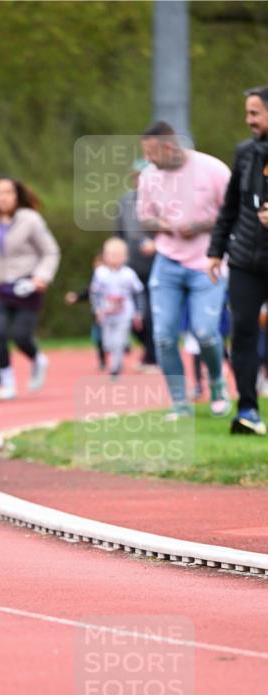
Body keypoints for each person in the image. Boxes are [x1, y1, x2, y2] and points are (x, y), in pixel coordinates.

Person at [137, 122, 232, 418]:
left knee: (205, 333)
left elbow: (234, 212)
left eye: (152, 153)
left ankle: (217, 383)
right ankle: (180, 402)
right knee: (163, 336)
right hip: (167, 262)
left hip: (209, 261)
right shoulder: (149, 177)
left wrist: (200, 226)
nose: (149, 160)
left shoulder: (213, 169)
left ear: (169, 147)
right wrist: (165, 226)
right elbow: (145, 218)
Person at [208, 84, 268, 435]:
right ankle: (248, 411)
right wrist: (216, 251)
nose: (248, 120)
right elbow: (230, 205)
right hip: (246, 259)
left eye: (255, 113)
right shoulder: (245, 152)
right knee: (242, 334)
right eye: (248, 113)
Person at [0, 176, 60, 400]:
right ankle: (7, 382)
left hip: (26, 288)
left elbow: (50, 251)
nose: (2, 197)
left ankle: (37, 359)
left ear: (17, 195)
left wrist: (41, 277)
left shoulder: (31, 220)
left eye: (8, 192)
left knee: (21, 336)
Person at [114, 159, 158, 368]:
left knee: (150, 314)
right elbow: (119, 234)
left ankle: (153, 356)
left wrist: (156, 243)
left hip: (156, 266)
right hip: (130, 266)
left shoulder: (163, 201)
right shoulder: (125, 201)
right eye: (137, 176)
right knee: (130, 314)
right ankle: (149, 350)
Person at [90, 238, 144, 379]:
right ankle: (123, 347)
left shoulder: (129, 274)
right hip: (107, 313)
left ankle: (115, 368)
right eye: (111, 255)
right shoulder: (100, 273)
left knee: (118, 341)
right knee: (108, 343)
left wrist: (139, 312)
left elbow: (138, 292)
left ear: (125, 257)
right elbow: (94, 293)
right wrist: (97, 310)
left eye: (118, 255)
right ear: (105, 256)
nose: (114, 258)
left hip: (124, 313)